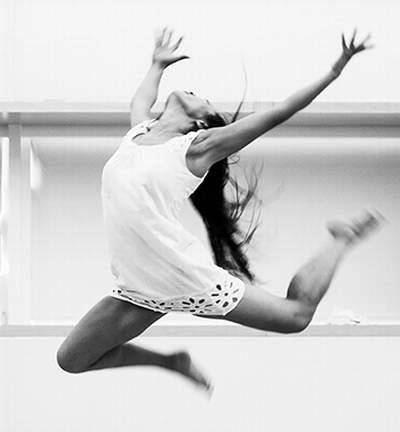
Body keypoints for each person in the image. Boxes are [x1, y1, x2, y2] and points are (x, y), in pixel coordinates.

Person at [56, 27, 384, 394]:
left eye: (204, 99)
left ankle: (342, 238)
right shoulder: (138, 134)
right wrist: (157, 66)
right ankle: (172, 361)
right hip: (138, 285)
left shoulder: (197, 148)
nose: (196, 92)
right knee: (71, 359)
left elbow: (279, 113)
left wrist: (333, 72)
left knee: (295, 316)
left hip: (182, 274)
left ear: (201, 121)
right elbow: (140, 99)